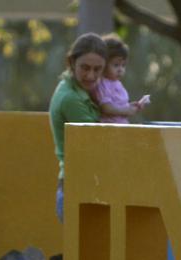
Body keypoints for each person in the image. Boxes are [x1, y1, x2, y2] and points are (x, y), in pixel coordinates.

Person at [48, 32, 107, 223]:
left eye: (97, 69)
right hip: (77, 188)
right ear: (72, 63)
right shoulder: (71, 98)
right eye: (85, 68)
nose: (91, 75)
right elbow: (100, 141)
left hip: (79, 185)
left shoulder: (78, 90)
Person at [93, 34, 148, 124]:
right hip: (110, 127)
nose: (120, 69)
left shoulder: (116, 83)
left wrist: (130, 107)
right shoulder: (103, 84)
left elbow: (117, 105)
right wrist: (126, 111)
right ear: (103, 63)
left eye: (123, 65)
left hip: (121, 126)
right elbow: (106, 108)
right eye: (116, 65)